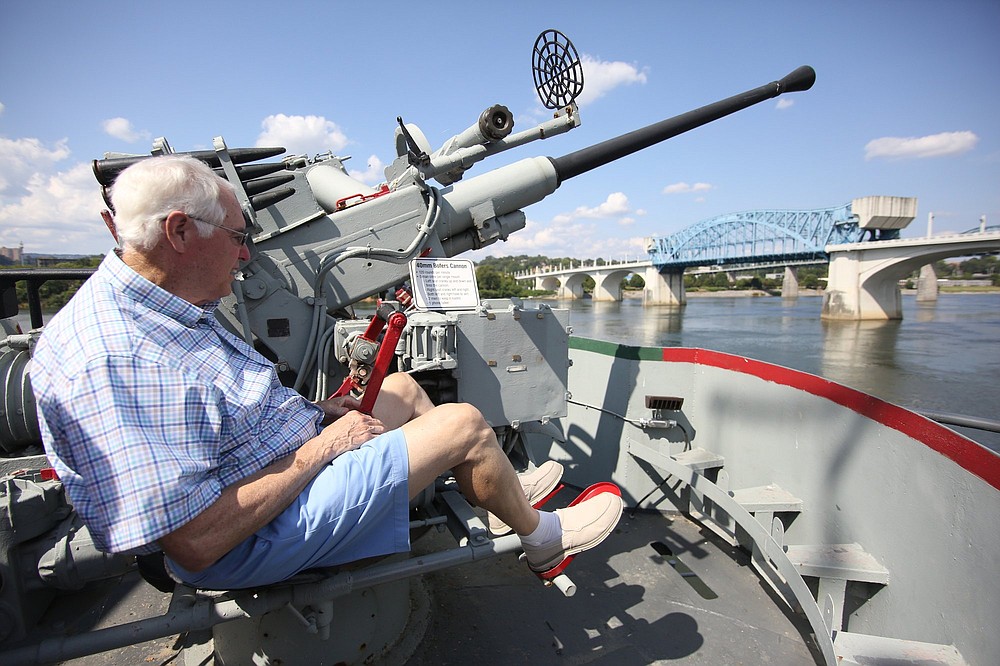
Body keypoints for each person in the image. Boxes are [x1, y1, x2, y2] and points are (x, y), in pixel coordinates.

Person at [32, 155, 622, 590]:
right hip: (245, 539)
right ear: (180, 232)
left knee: (401, 387)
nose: (245, 254)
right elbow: (195, 540)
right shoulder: (117, 359)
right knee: (463, 424)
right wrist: (325, 446)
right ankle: (543, 542)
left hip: (264, 468)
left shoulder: (164, 303)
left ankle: (501, 494)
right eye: (238, 237)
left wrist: (317, 414)